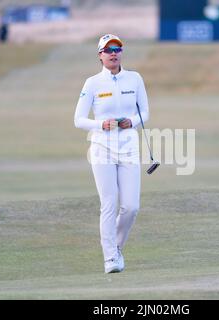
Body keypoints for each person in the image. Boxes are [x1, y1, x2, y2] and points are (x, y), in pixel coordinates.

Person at [74, 34, 149, 273]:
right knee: (108, 203)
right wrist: (101, 125)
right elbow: (78, 120)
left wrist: (132, 121)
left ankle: (116, 248)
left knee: (131, 206)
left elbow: (145, 113)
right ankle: (110, 258)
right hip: (102, 149)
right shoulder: (92, 83)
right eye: (108, 50)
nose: (113, 53)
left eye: (117, 48)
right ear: (100, 55)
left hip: (128, 148)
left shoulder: (135, 79)